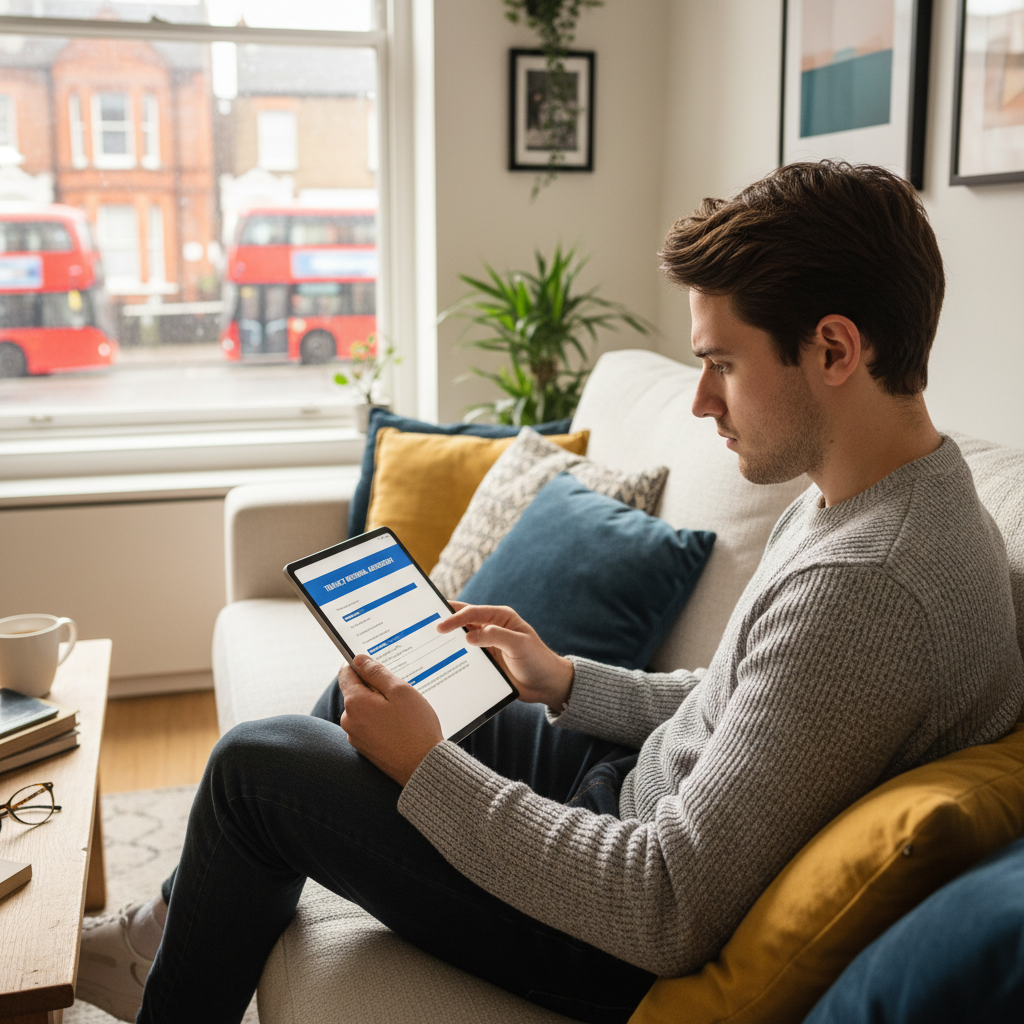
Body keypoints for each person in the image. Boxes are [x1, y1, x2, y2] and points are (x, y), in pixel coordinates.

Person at [78, 161, 1024, 1024]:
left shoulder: (873, 585)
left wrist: (430, 771)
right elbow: (743, 699)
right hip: (625, 798)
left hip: (608, 933)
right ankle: (172, 933)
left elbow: (665, 905)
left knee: (259, 765)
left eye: (722, 363)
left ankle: (166, 972)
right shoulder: (868, 499)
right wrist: (565, 679)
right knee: (374, 686)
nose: (701, 403)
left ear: (833, 349)